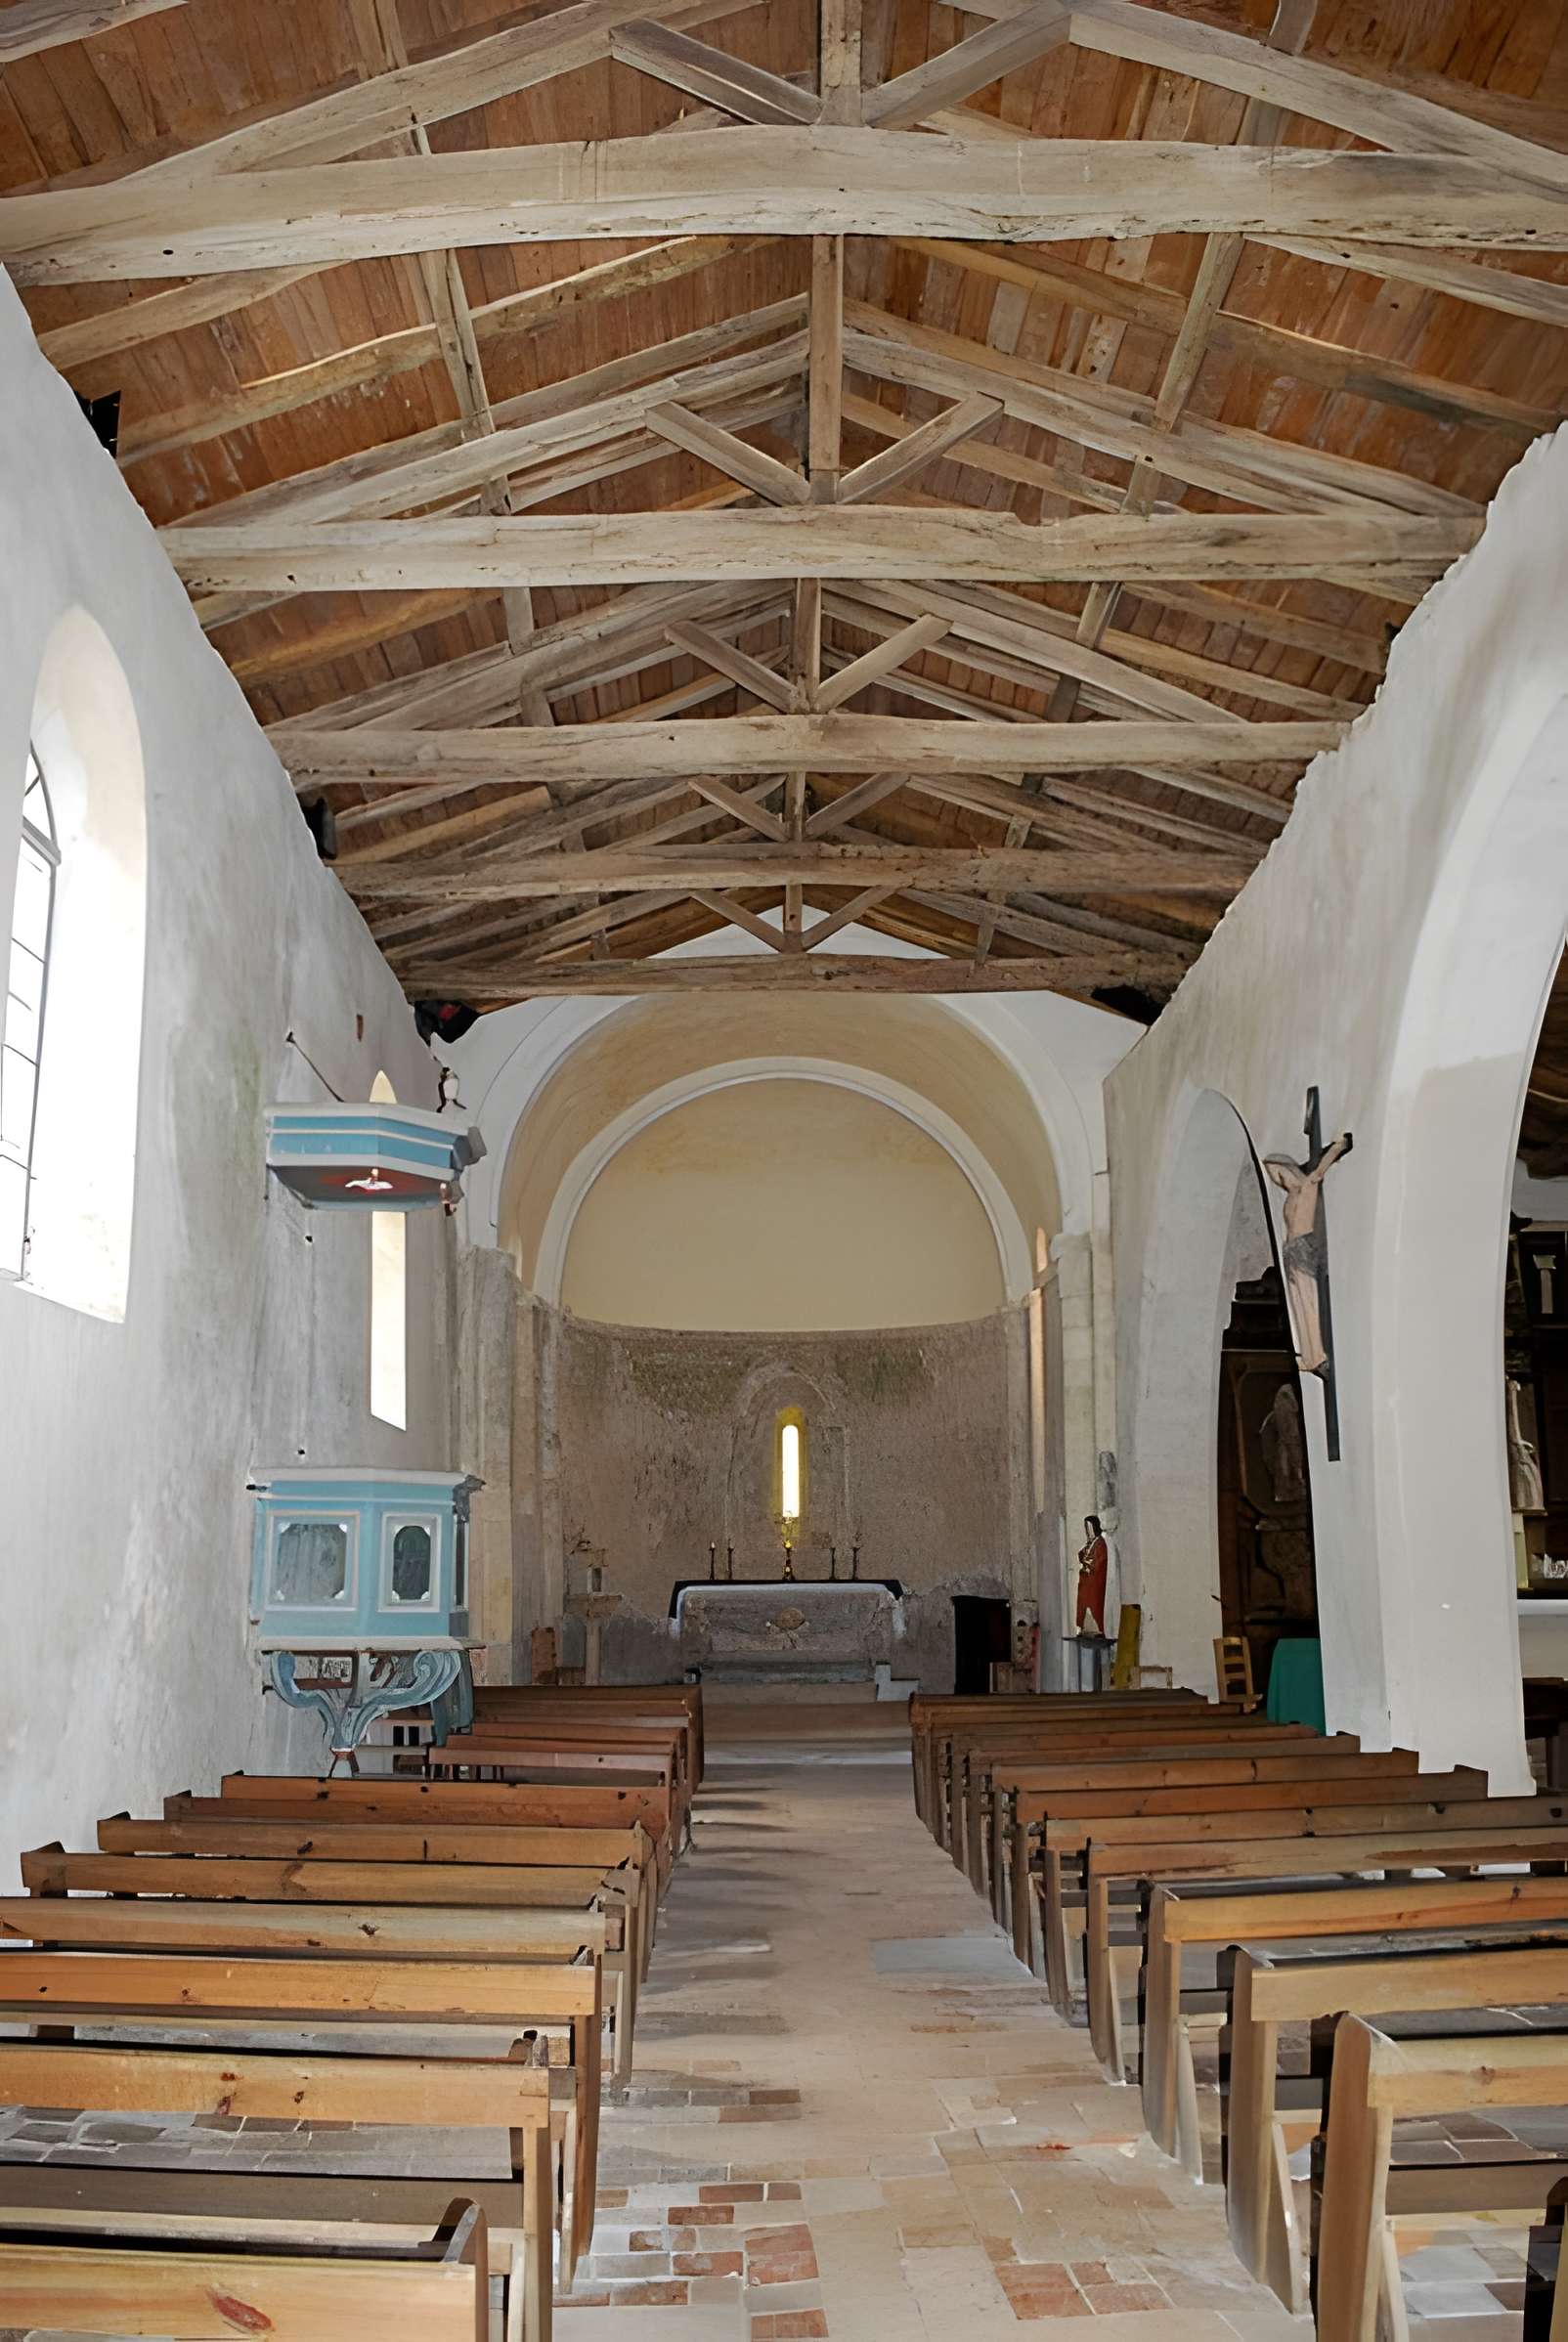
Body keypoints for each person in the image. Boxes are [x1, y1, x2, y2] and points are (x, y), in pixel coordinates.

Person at [1263, 1131, 1352, 1375]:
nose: (1279, 1180)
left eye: (1280, 1174)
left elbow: (1318, 1173)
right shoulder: (1293, 1195)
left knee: (1309, 1303)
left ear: (1290, 1171)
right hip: (1292, 1251)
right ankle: (1309, 1356)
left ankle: (1318, 1355)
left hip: (1302, 1248)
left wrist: (1337, 1148)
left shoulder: (1306, 1186)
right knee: (1298, 1306)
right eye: (1276, 1177)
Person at [1075, 1515, 1111, 1637]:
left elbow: (1097, 1562)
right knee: (1084, 1607)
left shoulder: (1100, 1543)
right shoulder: (1090, 1544)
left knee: (1095, 1606)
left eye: (1089, 1528)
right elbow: (1081, 1555)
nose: (1087, 1531)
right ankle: (1084, 1627)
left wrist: (1087, 1563)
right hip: (1086, 1582)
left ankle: (1098, 1629)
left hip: (1094, 1582)